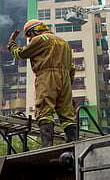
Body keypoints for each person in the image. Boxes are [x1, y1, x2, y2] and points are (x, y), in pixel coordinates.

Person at [7, 19, 77, 148]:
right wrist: (67, 86)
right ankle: (73, 143)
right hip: (66, 79)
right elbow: (72, 67)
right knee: (67, 115)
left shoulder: (40, 39)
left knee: (44, 110)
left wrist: (11, 44)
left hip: (47, 76)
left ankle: (46, 145)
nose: (30, 39)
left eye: (29, 35)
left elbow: (20, 54)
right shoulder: (64, 42)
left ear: (34, 31)